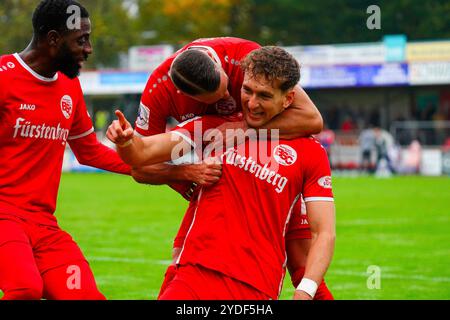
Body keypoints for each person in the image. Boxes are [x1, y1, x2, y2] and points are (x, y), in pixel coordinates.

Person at [107, 46, 336, 300]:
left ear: (289, 99)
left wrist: (305, 291)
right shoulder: (215, 128)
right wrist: (126, 142)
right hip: (195, 270)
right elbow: (142, 154)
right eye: (247, 90)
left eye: (264, 96)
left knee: (307, 271)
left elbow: (323, 232)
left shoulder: (310, 151)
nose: (251, 102)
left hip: (255, 282)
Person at [0, 0, 130, 300]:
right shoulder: (4, 78)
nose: (89, 48)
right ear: (54, 39)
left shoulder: (69, 87)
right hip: (3, 215)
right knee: (25, 289)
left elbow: (90, 152)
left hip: (43, 223)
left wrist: (153, 167)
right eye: (81, 40)